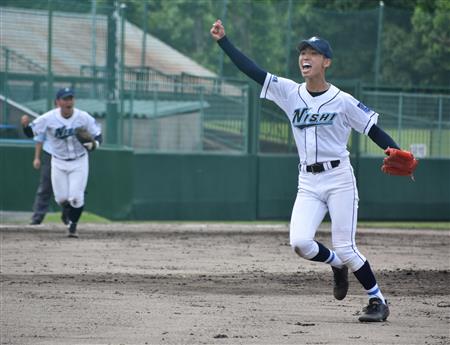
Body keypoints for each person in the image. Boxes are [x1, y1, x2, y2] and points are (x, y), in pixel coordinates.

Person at [210, 19, 401, 322]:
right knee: (300, 243)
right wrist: (224, 42)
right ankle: (336, 264)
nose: (305, 57)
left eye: (313, 53)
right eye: (302, 52)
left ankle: (378, 300)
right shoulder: (289, 92)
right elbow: (252, 71)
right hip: (308, 181)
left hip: (339, 178)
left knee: (347, 246)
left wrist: (393, 149)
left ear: (326, 62)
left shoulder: (342, 100)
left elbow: (372, 129)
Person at [27, 87, 102, 238]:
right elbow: (30, 132)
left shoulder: (83, 117)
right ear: (58, 102)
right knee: (60, 198)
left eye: (71, 98)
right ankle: (68, 213)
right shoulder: (48, 118)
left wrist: (95, 144)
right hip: (58, 161)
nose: (69, 101)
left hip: (79, 161)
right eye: (65, 99)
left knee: (75, 197)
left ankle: (72, 225)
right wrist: (24, 126)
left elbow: (98, 135)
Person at [21, 112, 70, 226]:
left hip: (67, 157)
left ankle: (67, 216)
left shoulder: (74, 119)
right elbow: (40, 139)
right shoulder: (49, 119)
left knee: (68, 188)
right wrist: (37, 158)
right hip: (50, 155)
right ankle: (37, 217)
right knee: (45, 187)